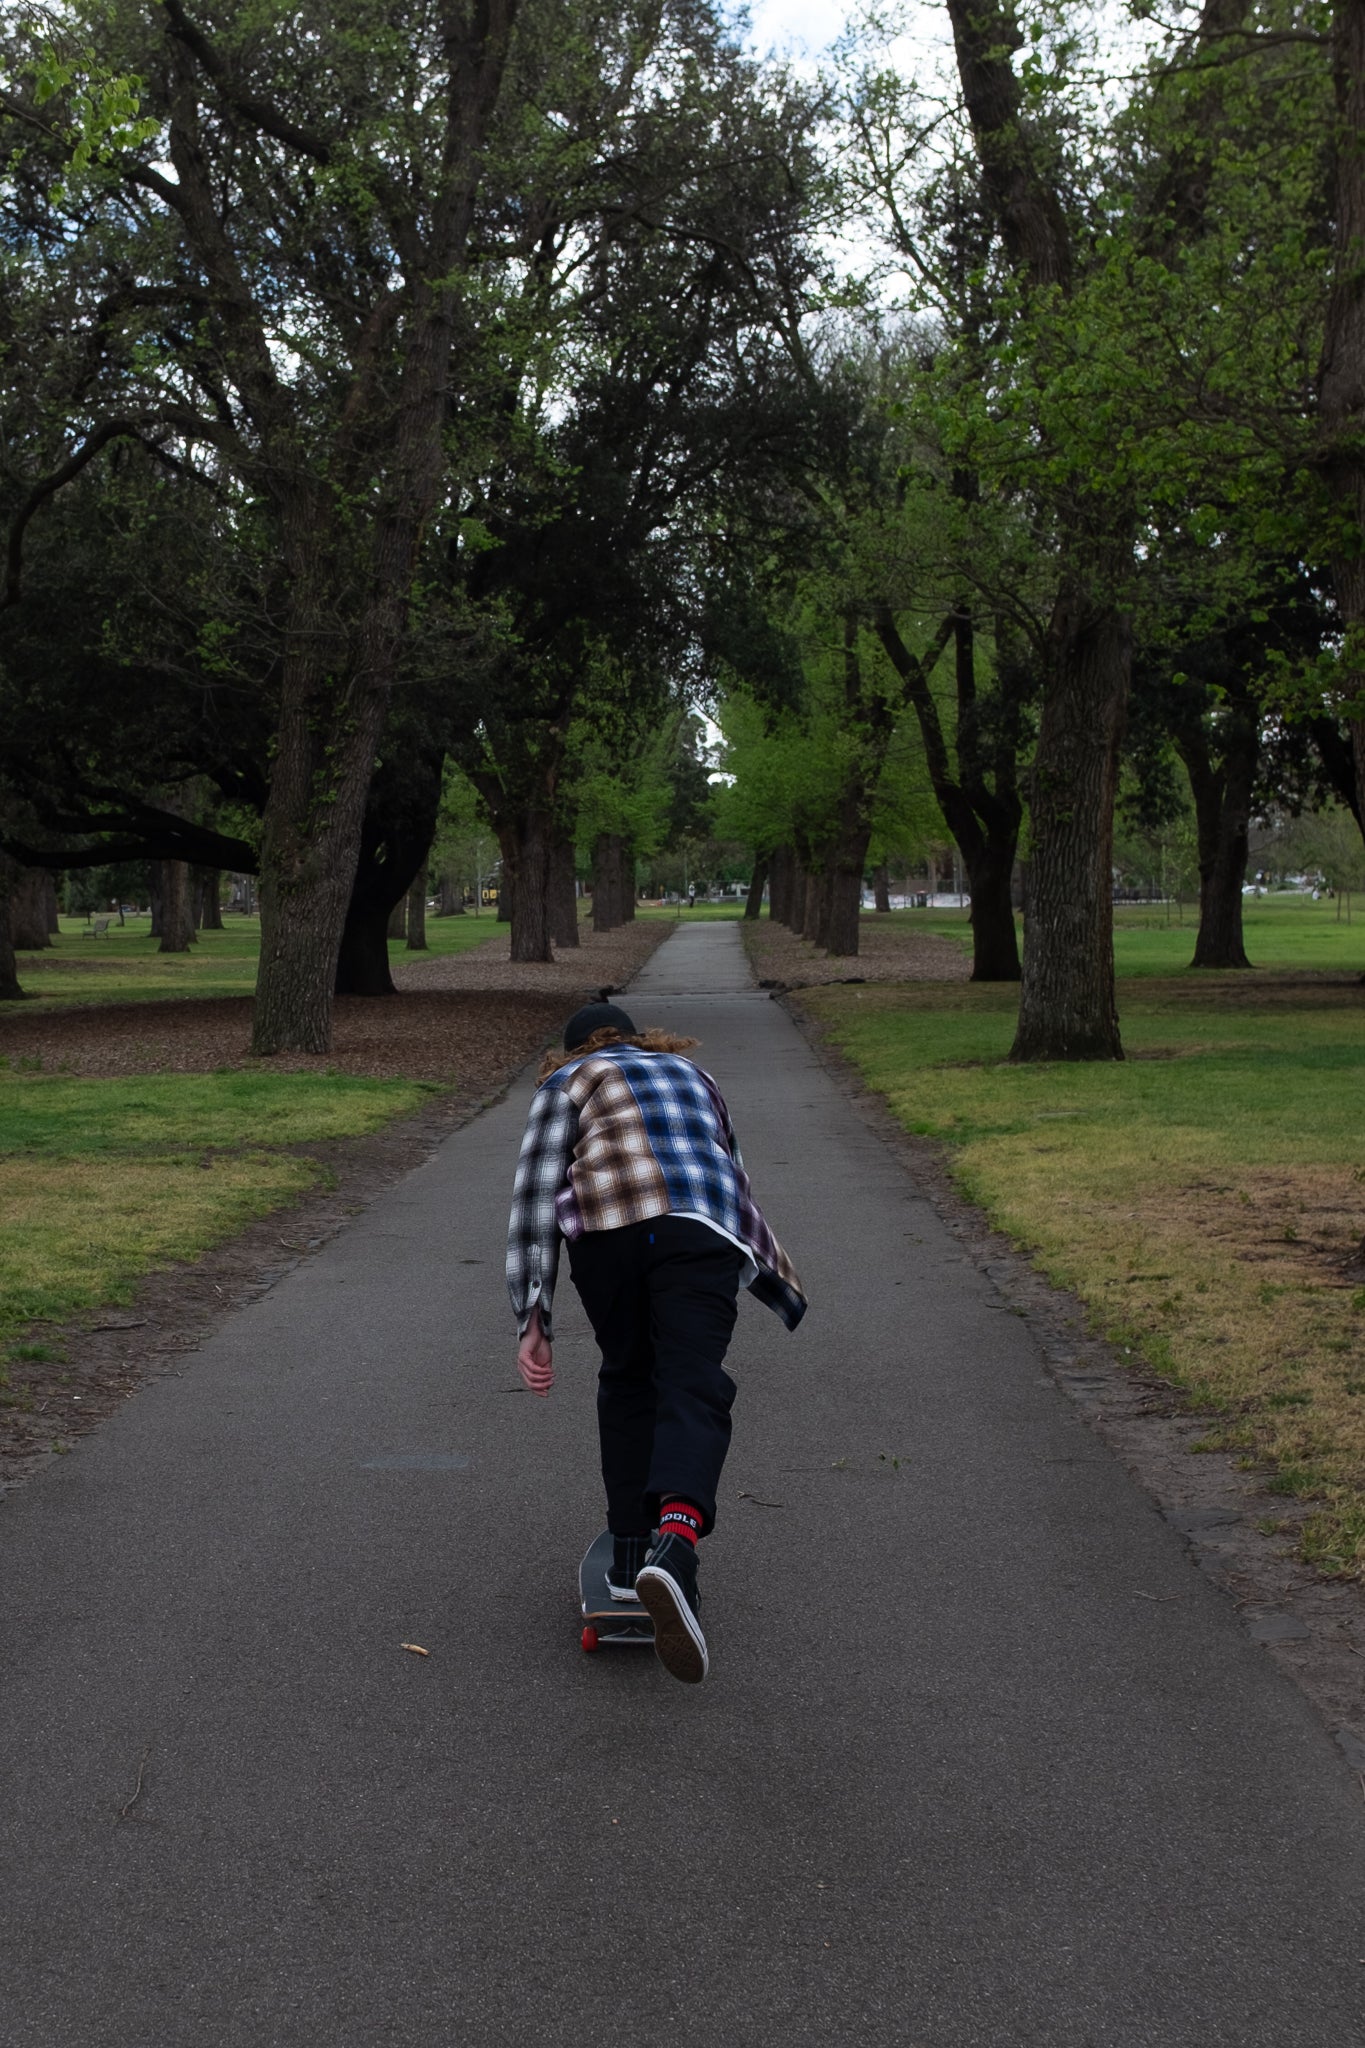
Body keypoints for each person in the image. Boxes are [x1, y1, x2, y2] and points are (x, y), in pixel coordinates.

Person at [506, 997, 806, 1684]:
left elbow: (533, 1197)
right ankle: (676, 1536)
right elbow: (731, 1165)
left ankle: (629, 1551)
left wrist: (533, 1317)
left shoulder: (566, 1081)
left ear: (572, 1048)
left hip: (610, 1236)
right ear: (642, 1039)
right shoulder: (695, 1077)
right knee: (692, 1376)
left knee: (627, 1377)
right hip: (699, 1229)